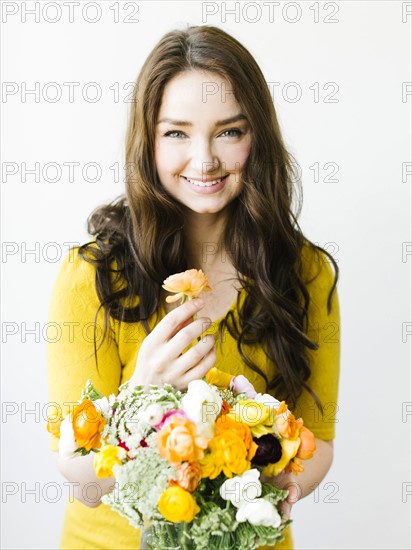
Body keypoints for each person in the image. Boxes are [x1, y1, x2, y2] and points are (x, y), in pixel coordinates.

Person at [47, 24, 340, 550]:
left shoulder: (305, 272)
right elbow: (85, 482)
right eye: (176, 133)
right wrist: (141, 395)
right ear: (148, 141)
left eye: (230, 131)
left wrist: (275, 481)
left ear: (259, 138)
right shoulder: (91, 276)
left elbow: (317, 443)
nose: (204, 159)